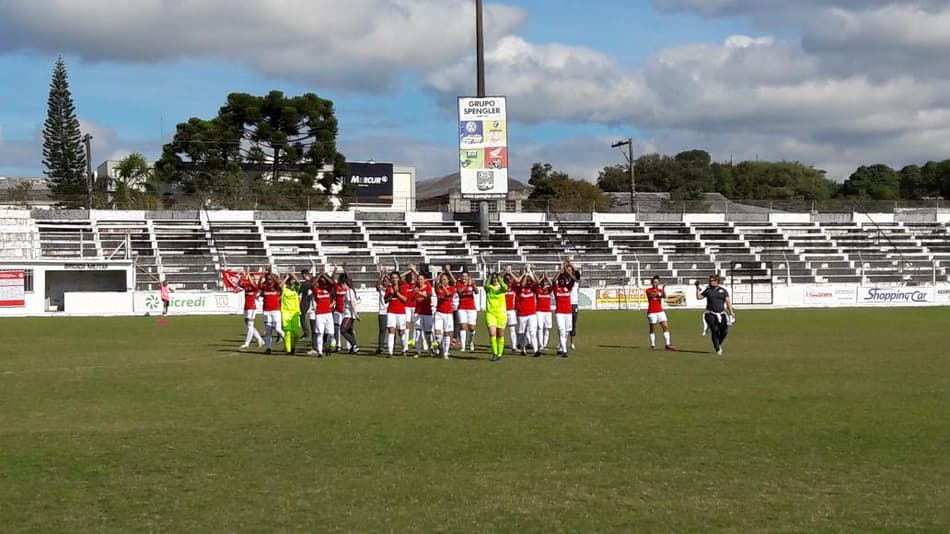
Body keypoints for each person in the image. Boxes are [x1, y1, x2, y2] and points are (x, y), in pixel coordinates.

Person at [695, 274, 736, 356]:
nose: (710, 282)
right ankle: (717, 348)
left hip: (721, 313)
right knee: (715, 329)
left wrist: (731, 312)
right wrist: (697, 288)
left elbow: (728, 302)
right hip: (710, 314)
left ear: (717, 281)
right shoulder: (708, 290)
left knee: (724, 331)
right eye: (710, 281)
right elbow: (699, 297)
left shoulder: (723, 291)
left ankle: (718, 343)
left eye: (712, 280)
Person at [513, 265, 540, 357]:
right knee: (522, 333)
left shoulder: (532, 287)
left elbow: (537, 282)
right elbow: (522, 284)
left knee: (533, 332)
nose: (528, 281)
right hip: (522, 314)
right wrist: (525, 274)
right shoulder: (518, 287)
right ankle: (523, 349)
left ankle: (536, 350)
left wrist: (530, 273)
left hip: (532, 314)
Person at [308, 270, 336, 357]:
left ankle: (327, 346)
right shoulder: (316, 290)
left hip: (328, 314)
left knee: (331, 332)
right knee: (320, 333)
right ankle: (320, 352)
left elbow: (332, 283)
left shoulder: (328, 289)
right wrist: (320, 275)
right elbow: (312, 285)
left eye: (324, 282)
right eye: (321, 282)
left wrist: (324, 275)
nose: (323, 284)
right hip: (319, 314)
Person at [483, 270, 509, 362]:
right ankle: (494, 353)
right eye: (493, 279)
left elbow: (505, 288)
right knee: (492, 333)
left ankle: (499, 354)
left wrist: (499, 277)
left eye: (496, 279)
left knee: (500, 335)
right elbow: (486, 286)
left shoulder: (502, 288)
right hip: (491, 313)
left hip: (501, 314)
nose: (495, 280)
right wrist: (490, 276)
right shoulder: (489, 288)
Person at [258, 268, 284, 355]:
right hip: (266, 311)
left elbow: (278, 283)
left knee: (277, 328)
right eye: (267, 278)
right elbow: (258, 285)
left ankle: (288, 340)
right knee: (268, 331)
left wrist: (270, 273)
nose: (269, 280)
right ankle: (268, 348)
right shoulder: (264, 286)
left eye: (270, 278)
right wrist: (262, 275)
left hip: (275, 310)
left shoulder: (275, 286)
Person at [645, 275, 675, 350]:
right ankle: (653, 345)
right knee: (652, 329)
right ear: (652, 283)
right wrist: (658, 293)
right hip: (652, 312)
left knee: (665, 327)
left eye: (657, 282)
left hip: (660, 311)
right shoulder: (648, 290)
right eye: (654, 282)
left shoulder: (660, 290)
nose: (655, 284)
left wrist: (663, 289)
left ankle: (667, 344)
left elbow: (664, 296)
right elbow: (652, 296)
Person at [384, 271, 409, 357]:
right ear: (391, 279)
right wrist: (391, 294)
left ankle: (404, 349)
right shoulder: (388, 288)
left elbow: (405, 299)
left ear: (399, 278)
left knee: (401, 332)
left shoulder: (403, 286)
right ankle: (390, 352)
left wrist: (396, 293)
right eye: (393, 278)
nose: (394, 279)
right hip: (391, 311)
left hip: (401, 312)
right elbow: (385, 300)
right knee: (391, 330)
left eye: (396, 278)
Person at [238, 268, 264, 349]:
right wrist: (243, 276)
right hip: (246, 307)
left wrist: (248, 273)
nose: (250, 279)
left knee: (250, 326)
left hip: (252, 308)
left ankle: (247, 343)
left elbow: (252, 283)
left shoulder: (255, 286)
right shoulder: (246, 286)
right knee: (249, 326)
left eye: (252, 278)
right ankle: (260, 340)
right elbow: (240, 283)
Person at [433, 271, 457, 359]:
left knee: (446, 333)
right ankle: (441, 347)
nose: (444, 281)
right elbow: (435, 281)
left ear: (448, 280)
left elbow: (448, 294)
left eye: (445, 279)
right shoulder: (438, 289)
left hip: (448, 314)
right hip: (439, 313)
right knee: (437, 333)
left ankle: (445, 353)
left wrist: (443, 286)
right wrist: (442, 272)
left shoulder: (451, 288)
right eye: (442, 279)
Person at [554, 265, 576, 357]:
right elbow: (553, 280)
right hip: (559, 313)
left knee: (566, 331)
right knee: (562, 331)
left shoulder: (568, 288)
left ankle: (560, 347)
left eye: (563, 280)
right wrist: (560, 271)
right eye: (561, 280)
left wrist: (568, 271)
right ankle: (564, 350)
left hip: (568, 313)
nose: (562, 281)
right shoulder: (556, 288)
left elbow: (574, 279)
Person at [456, 270, 479, 352]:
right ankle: (463, 346)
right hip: (462, 307)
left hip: (471, 308)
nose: (464, 278)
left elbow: (476, 292)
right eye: (463, 276)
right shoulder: (458, 283)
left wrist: (473, 284)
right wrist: (467, 285)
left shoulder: (471, 283)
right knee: (463, 326)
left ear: (468, 277)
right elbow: (459, 292)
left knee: (472, 328)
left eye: (466, 276)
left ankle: (471, 342)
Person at [413, 271, 434, 356]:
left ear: (424, 280)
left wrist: (420, 293)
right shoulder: (415, 288)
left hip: (427, 312)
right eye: (418, 279)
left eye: (421, 279)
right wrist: (415, 294)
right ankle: (418, 350)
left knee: (428, 333)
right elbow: (412, 300)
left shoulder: (428, 287)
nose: (420, 281)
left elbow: (429, 296)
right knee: (418, 332)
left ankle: (430, 347)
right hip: (418, 312)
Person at [281, 271, 302, 354]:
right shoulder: (284, 289)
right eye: (291, 281)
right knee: (287, 333)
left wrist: (292, 274)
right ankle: (288, 350)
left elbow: (298, 282)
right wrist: (286, 277)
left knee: (296, 333)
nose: (292, 282)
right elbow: (280, 286)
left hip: (295, 313)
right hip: (286, 313)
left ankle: (293, 346)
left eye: (292, 280)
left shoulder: (295, 289)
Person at [338, 273, 360, 354]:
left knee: (343, 330)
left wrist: (355, 314)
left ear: (344, 283)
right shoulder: (349, 291)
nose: (341, 287)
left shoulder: (349, 292)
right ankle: (353, 348)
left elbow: (352, 303)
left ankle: (354, 345)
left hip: (349, 315)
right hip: (348, 314)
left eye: (341, 285)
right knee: (350, 331)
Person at [564, 261, 581, 350]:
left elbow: (577, 273)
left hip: (574, 304)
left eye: (570, 270)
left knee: (573, 324)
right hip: (566, 304)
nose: (569, 271)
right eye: (568, 270)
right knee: (565, 325)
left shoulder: (576, 281)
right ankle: (562, 342)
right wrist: (564, 266)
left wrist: (569, 263)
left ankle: (572, 343)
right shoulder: (564, 280)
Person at [535, 272, 554, 353]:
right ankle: (541, 344)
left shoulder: (548, 289)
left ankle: (545, 344)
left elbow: (552, 285)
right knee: (540, 327)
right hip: (539, 311)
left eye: (544, 281)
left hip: (547, 311)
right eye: (542, 281)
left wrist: (546, 277)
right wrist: (541, 278)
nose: (543, 282)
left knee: (547, 328)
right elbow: (536, 283)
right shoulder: (537, 289)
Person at [503, 272, 519, 353]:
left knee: (512, 329)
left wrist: (510, 273)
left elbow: (518, 280)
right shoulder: (502, 287)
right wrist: (504, 272)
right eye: (506, 279)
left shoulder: (514, 287)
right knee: (501, 330)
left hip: (511, 311)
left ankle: (514, 346)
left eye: (509, 279)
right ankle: (500, 346)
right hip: (502, 311)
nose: (508, 281)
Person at [375, 268, 390, 355]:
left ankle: (391, 346)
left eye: (386, 281)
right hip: (382, 312)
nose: (385, 283)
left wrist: (386, 274)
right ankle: (380, 346)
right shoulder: (381, 288)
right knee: (382, 330)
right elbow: (377, 285)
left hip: (391, 311)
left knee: (391, 330)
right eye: (384, 281)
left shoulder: (391, 288)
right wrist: (381, 276)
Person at [298, 268, 313, 340]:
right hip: (311, 302)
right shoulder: (313, 282)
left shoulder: (305, 284)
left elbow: (299, 293)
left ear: (304, 275)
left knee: (303, 318)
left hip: (305, 302)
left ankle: (306, 334)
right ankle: (307, 334)